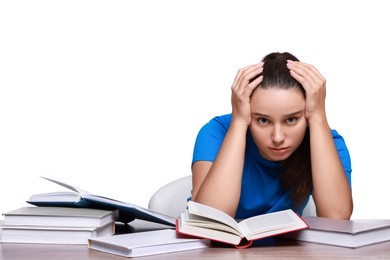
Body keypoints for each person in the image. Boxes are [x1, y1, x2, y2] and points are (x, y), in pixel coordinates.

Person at [191, 52, 353, 220]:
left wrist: (318, 117)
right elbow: (208, 220)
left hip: (285, 247)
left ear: (307, 114)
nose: (277, 137)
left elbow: (337, 218)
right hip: (218, 247)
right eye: (262, 120)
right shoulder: (216, 132)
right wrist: (239, 122)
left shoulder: (327, 142)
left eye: (291, 119)